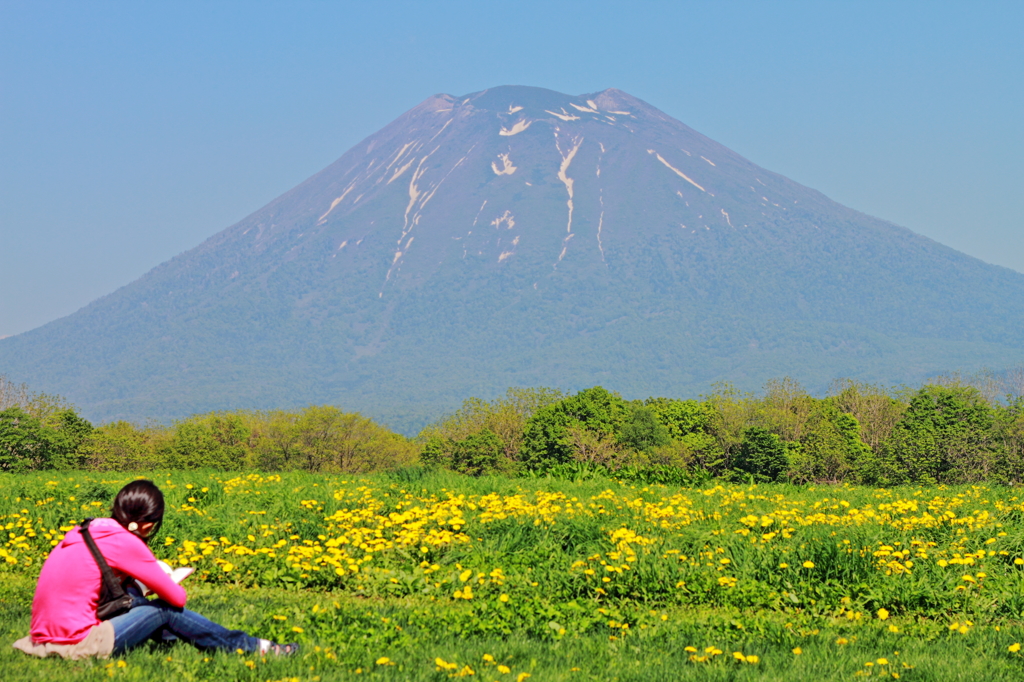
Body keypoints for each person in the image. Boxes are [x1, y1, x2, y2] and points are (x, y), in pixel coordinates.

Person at [12, 479, 298, 660]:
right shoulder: (126, 542)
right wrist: (166, 581)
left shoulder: (84, 530)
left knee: (134, 596)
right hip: (76, 643)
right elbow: (177, 599)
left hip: (40, 638)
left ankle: (178, 641)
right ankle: (256, 648)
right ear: (148, 523)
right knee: (162, 609)